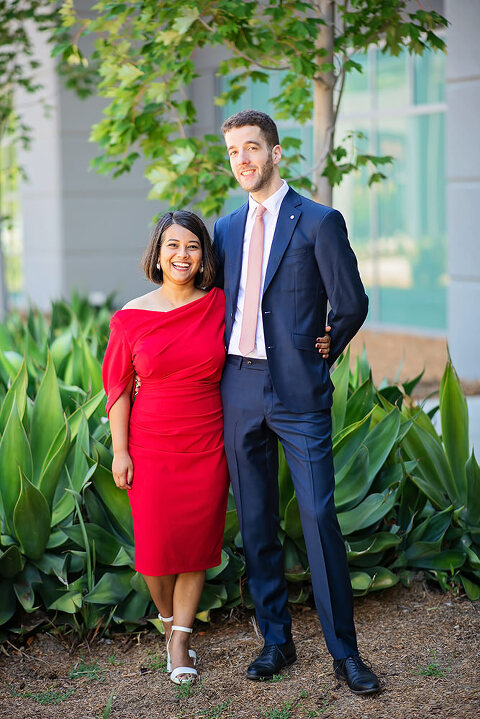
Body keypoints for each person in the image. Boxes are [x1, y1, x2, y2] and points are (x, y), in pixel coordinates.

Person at [214, 110, 380, 695]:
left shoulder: (318, 221)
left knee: (317, 517)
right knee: (256, 517)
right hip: (238, 388)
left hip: (298, 393)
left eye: (252, 149)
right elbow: (215, 304)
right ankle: (275, 641)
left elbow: (352, 301)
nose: (243, 160)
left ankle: (345, 653)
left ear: (276, 153)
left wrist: (324, 350)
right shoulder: (226, 229)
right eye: (234, 151)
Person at [102, 210, 230, 685]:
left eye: (193, 246)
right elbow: (117, 387)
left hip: (207, 440)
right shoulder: (131, 317)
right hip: (151, 443)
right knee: (155, 552)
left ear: (203, 256)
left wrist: (322, 336)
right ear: (157, 253)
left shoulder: (218, 305)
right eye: (173, 245)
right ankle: (166, 619)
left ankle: (180, 639)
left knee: (196, 547)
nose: (183, 255)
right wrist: (121, 451)